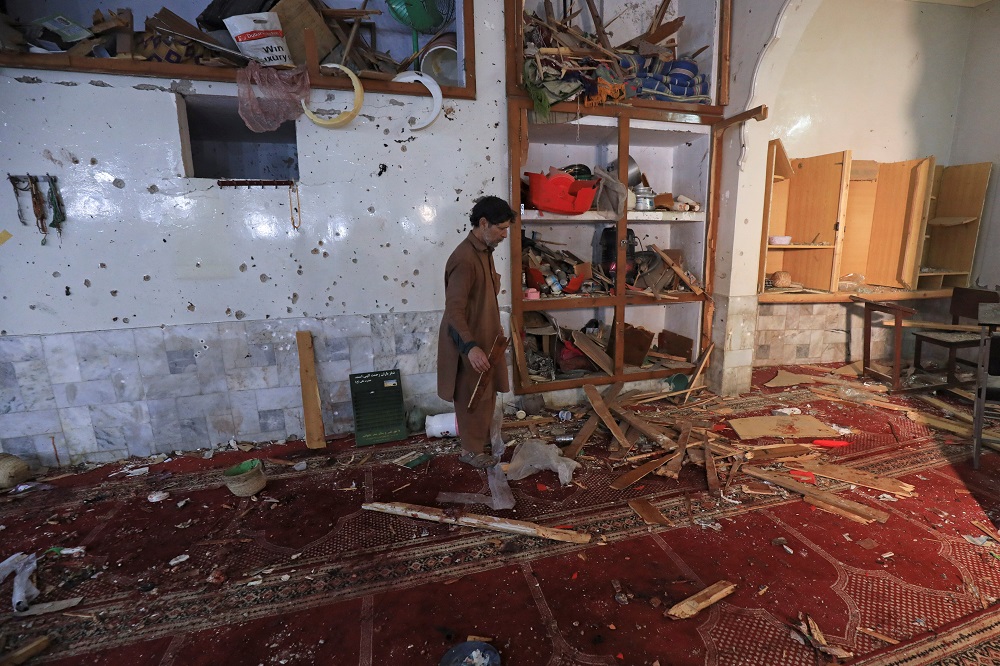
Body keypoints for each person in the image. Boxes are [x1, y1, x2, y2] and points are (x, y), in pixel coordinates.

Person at [437, 196, 514, 468]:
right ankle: (470, 451)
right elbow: (454, 310)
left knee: (486, 393)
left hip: (485, 337)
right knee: (472, 395)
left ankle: (480, 443)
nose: (505, 235)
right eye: (501, 228)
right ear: (483, 223)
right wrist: (470, 347)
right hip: (467, 341)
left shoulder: (484, 251)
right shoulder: (464, 259)